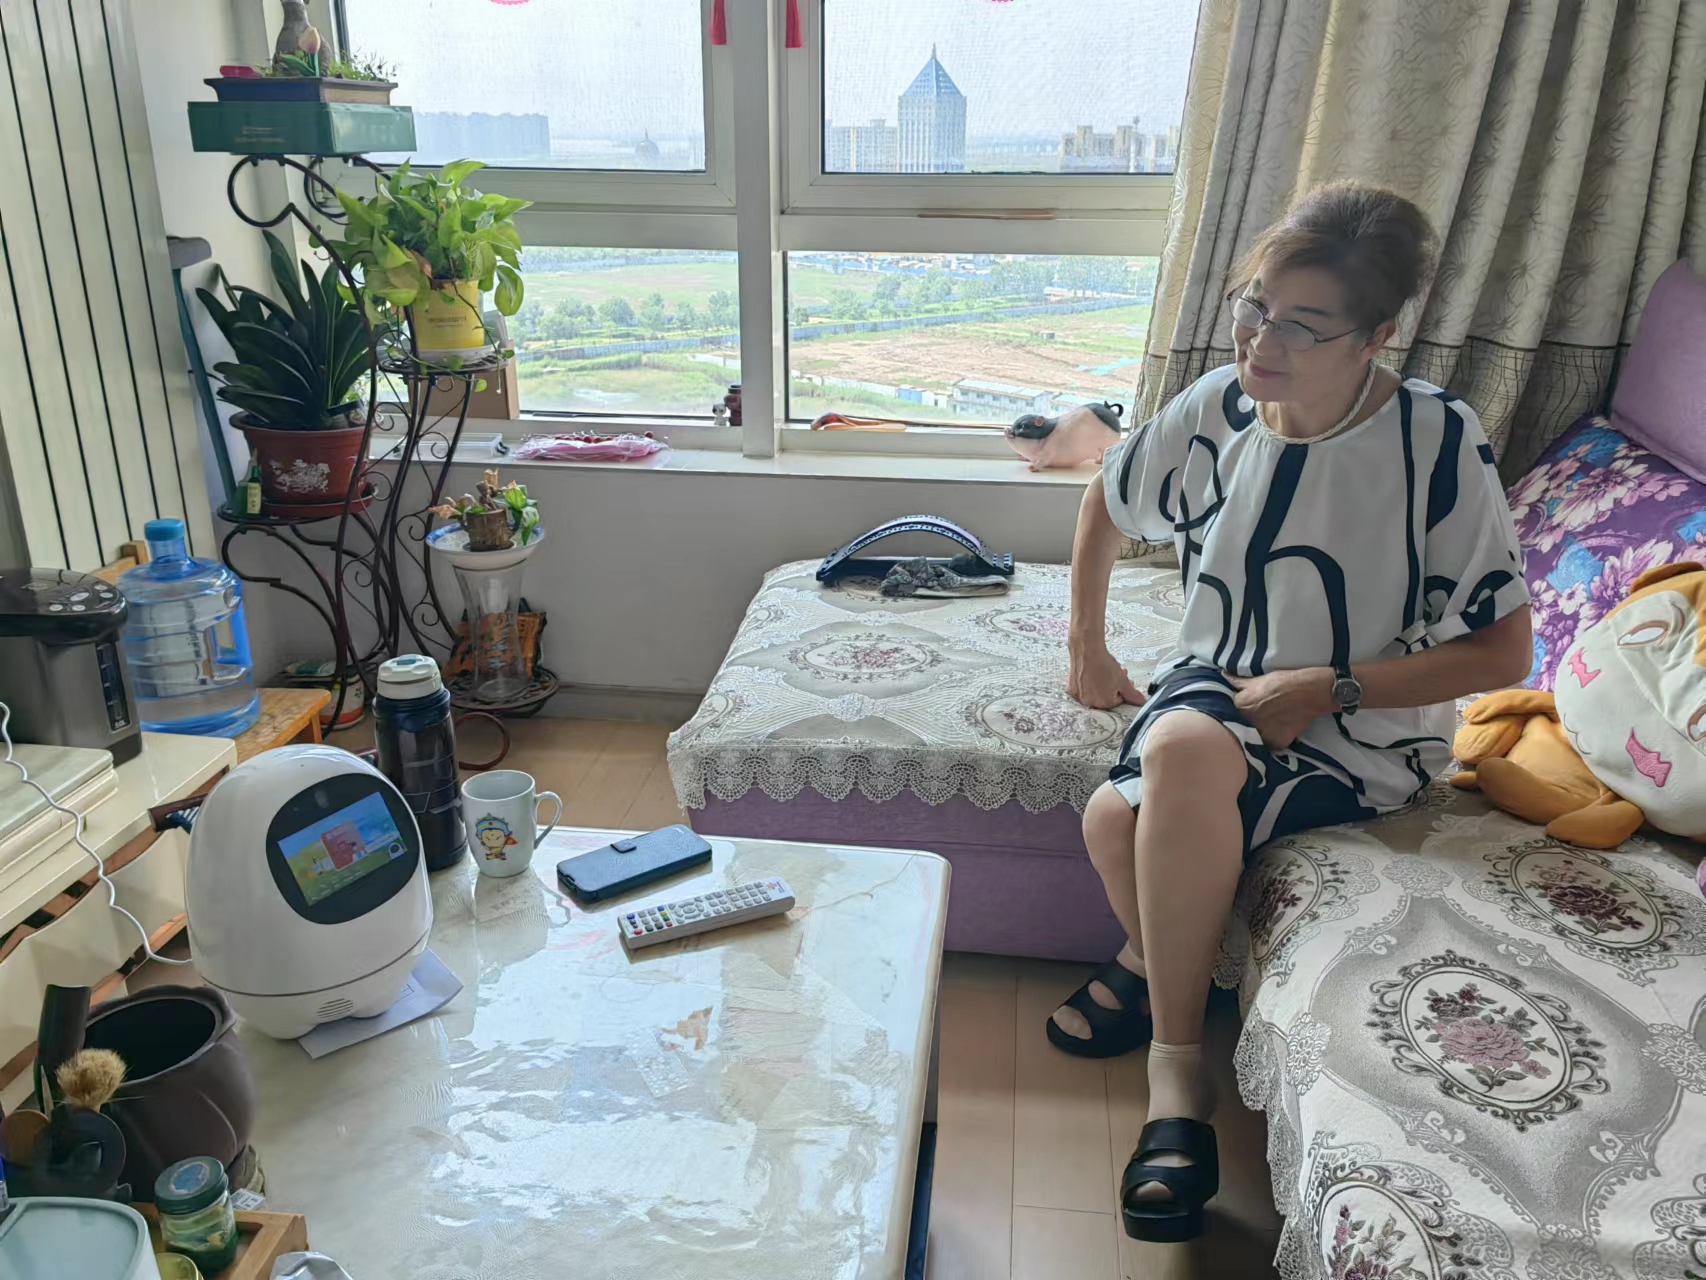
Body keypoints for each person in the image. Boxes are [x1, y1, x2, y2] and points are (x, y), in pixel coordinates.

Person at [1053, 182, 1533, 1243]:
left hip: (1362, 725)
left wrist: (1327, 686)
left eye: (1301, 325)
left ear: (1377, 336)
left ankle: (1172, 1068)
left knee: (1147, 789)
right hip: (1217, 681)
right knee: (1126, 802)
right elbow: (1106, 498)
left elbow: (1504, 652)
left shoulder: (1433, 441)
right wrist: (1086, 643)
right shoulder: (1220, 406)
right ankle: (1165, 996)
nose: (1260, 342)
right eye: (1255, 308)